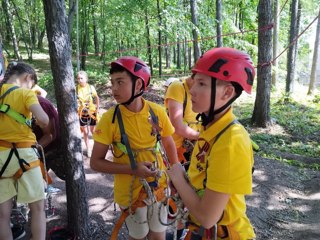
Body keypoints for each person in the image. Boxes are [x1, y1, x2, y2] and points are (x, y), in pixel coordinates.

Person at [167, 47, 256, 240]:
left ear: (227, 92)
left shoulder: (231, 141)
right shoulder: (209, 129)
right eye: (194, 82)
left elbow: (207, 217)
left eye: (201, 83)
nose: (192, 90)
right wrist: (185, 179)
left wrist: (179, 179)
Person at [90, 56, 179, 240]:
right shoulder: (110, 119)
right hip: (130, 194)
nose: (113, 89)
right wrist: (132, 169)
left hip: (158, 187)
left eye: (120, 82)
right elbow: (95, 162)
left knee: (158, 236)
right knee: (137, 236)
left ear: (138, 85)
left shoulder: (157, 112)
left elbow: (169, 143)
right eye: (112, 82)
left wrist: (176, 176)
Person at [0, 61, 49, 240]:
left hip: (0, 157)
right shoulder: (25, 93)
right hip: (24, 156)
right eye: (32, 83)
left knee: (2, 215)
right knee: (37, 208)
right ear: (28, 78)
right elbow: (44, 120)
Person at [164, 75, 200, 166]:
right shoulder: (178, 87)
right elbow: (177, 126)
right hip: (175, 147)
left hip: (191, 146)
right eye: (202, 83)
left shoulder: (200, 92)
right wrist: (203, 137)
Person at [76, 70, 100, 157]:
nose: (80, 80)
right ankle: (88, 149)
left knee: (92, 130)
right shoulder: (76, 89)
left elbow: (97, 98)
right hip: (81, 113)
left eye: (82, 78)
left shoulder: (91, 87)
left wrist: (97, 108)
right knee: (85, 132)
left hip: (91, 112)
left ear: (86, 79)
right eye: (78, 78)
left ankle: (98, 147)